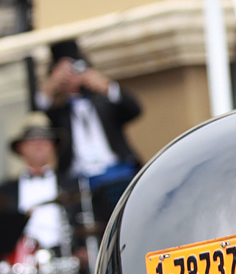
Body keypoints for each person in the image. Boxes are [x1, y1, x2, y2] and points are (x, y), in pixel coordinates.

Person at [36, 39, 142, 221]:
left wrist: (106, 86)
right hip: (79, 182)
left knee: (129, 217)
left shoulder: (103, 101)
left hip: (117, 173)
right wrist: (51, 86)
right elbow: (36, 117)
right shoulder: (58, 111)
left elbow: (134, 110)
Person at [0, 113, 72, 254]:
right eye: (32, 141)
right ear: (21, 148)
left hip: (64, 256)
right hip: (22, 262)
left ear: (53, 147)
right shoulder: (5, 192)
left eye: (44, 140)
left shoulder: (72, 185)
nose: (38, 145)